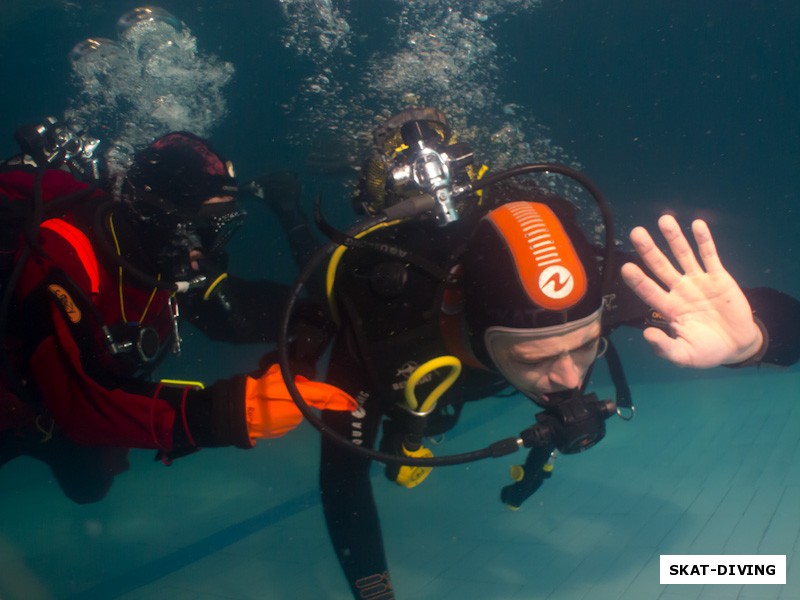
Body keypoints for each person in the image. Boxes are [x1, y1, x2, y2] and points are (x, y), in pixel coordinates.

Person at [309, 107, 800, 599]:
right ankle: (293, 206)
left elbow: (786, 325)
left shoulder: (595, 285)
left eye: (586, 345)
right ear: (470, 329)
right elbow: (342, 482)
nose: (568, 379)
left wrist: (753, 340)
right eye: (533, 358)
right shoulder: (386, 337)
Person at [0, 121, 356, 504]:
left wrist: (305, 316)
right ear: (164, 217)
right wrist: (227, 415)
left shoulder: (158, 257)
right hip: (26, 404)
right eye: (206, 228)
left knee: (91, 485)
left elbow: (225, 312)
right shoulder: (61, 249)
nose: (211, 249)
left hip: (48, 414)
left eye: (225, 229)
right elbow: (78, 403)